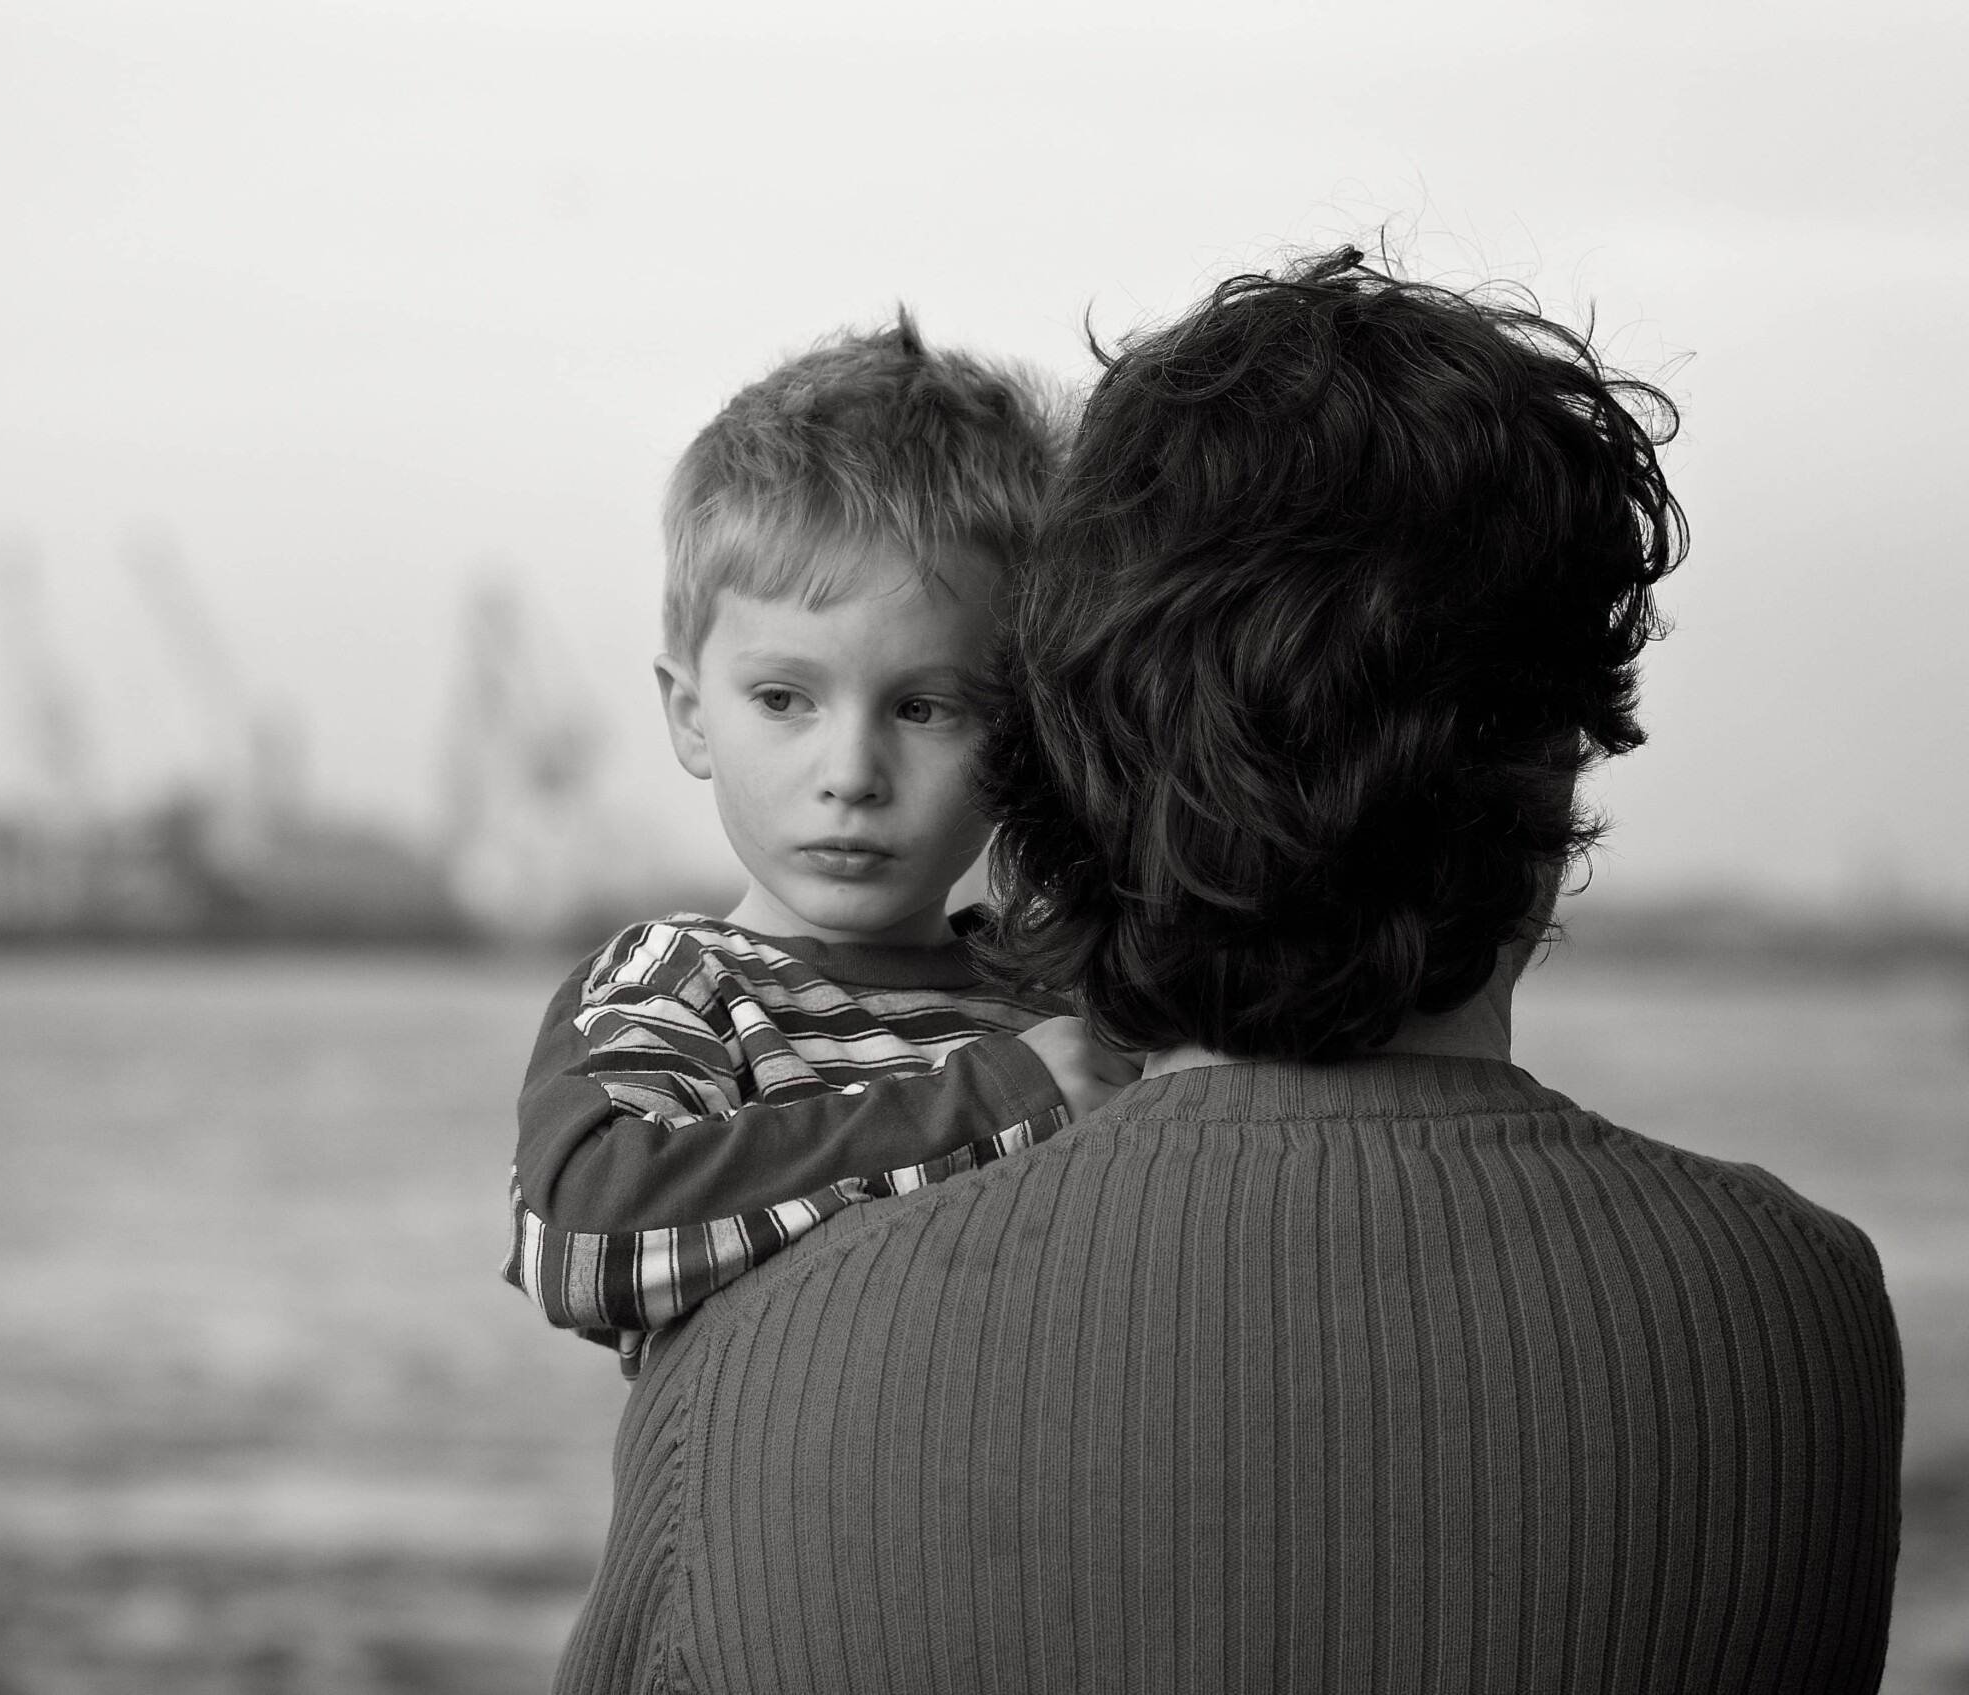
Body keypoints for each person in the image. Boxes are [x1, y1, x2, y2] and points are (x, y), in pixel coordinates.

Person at [555, 250, 1905, 1692]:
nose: (851, 770)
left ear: (1061, 757)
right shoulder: (1798, 1316)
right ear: (1557, 765)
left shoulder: (751, 1373)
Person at [504, 313, 1140, 1377]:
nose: (851, 771)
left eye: (927, 708)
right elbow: (583, 1239)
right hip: (775, 1532)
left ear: (1024, 731)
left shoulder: (1066, 1002)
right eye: (785, 698)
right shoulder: (683, 989)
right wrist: (996, 1106)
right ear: (691, 716)